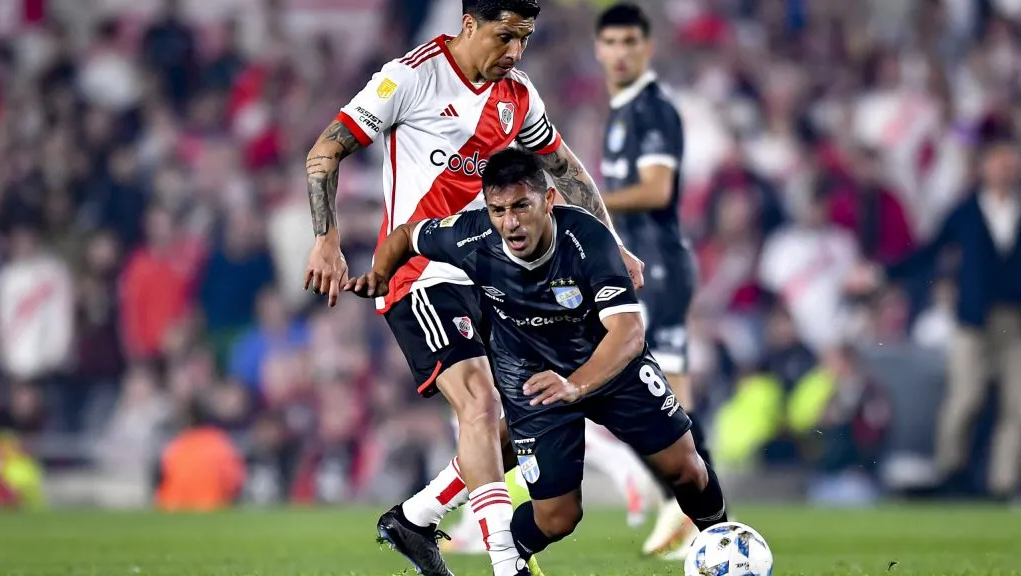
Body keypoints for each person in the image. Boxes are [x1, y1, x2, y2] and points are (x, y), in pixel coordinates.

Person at [302, 1, 643, 575]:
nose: (514, 51)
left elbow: (564, 169)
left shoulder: (518, 95)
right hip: (421, 270)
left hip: (494, 278)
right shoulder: (410, 76)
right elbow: (325, 150)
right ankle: (507, 565)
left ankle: (415, 518)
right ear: (468, 25)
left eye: (526, 38)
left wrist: (611, 243)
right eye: (505, 35)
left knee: (535, 408)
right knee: (480, 404)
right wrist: (326, 239)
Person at [344, 148, 729, 566]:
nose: (510, 222)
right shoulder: (471, 236)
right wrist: (379, 276)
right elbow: (404, 235)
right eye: (498, 210)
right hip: (531, 376)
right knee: (559, 516)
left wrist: (576, 384)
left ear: (547, 201)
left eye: (521, 206)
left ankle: (724, 543)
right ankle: (510, 559)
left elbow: (629, 333)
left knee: (687, 469)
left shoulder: (588, 238)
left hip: (609, 363)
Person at [593, 3, 711, 557]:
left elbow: (658, 189)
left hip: (658, 263)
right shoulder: (621, 112)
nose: (619, 52)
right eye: (610, 42)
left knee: (664, 395)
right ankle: (688, 512)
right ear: (599, 50)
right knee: (666, 393)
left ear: (648, 48)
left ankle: (700, 517)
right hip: (642, 265)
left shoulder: (654, 110)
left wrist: (586, 201)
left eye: (629, 42)